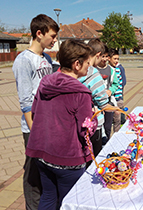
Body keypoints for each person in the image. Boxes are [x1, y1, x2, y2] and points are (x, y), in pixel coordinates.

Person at [26, 39, 97, 209]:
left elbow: (34, 113)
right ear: (77, 64)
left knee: (48, 196)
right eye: (88, 63)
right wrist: (93, 119)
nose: (89, 67)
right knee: (70, 202)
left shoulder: (45, 82)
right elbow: (85, 131)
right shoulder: (81, 92)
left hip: (42, 153)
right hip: (68, 158)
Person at [12, 14, 59, 210]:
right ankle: (32, 207)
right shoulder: (23, 60)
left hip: (48, 123)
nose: (55, 40)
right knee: (32, 171)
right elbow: (25, 101)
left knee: (46, 169)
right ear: (39, 34)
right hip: (33, 126)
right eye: (53, 36)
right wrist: (35, 131)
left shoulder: (47, 58)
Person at [79, 38, 113, 159]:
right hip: (94, 124)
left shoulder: (78, 69)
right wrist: (115, 109)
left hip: (79, 122)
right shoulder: (93, 73)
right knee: (95, 159)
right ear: (98, 55)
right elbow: (103, 103)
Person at [96, 44, 119, 142]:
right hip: (97, 103)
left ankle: (107, 141)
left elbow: (115, 84)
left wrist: (111, 90)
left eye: (106, 56)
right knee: (98, 126)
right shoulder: (94, 69)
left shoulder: (111, 70)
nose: (104, 59)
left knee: (108, 125)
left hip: (108, 101)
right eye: (103, 56)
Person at [108, 49, 126, 132]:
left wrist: (120, 97)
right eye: (114, 59)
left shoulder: (118, 69)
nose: (116, 61)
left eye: (117, 59)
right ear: (109, 58)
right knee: (109, 122)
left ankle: (116, 136)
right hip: (111, 99)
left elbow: (121, 83)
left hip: (118, 98)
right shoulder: (108, 70)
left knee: (117, 121)